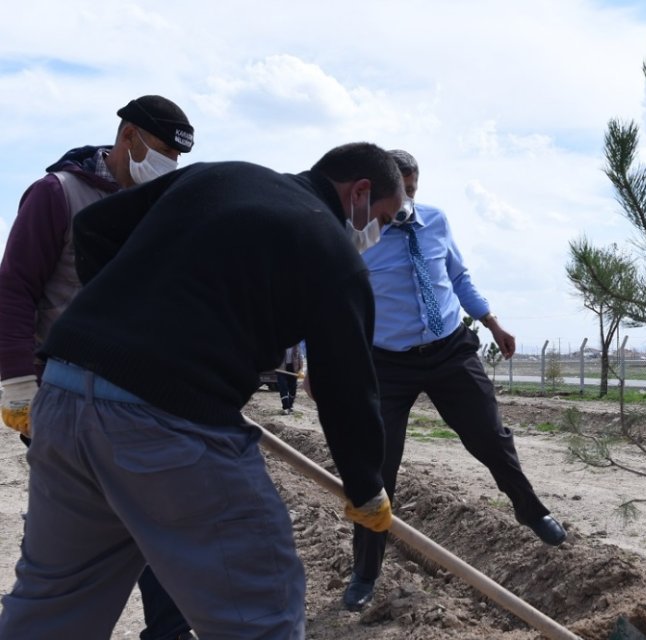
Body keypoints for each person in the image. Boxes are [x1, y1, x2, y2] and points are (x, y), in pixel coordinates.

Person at [0, 142, 406, 638]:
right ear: (360, 192)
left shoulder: (218, 177)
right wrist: (366, 489)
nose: (377, 235)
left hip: (65, 396)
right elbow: (348, 389)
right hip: (164, 426)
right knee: (261, 605)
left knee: (57, 602)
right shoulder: (332, 250)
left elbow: (95, 227)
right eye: (383, 219)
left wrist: (123, 321)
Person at [0, 95, 197, 640]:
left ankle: (170, 631)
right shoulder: (57, 195)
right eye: (160, 153)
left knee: (162, 522)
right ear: (128, 136)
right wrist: (19, 385)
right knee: (74, 531)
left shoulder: (161, 202)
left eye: (176, 161)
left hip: (141, 397)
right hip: (63, 394)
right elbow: (14, 289)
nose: (167, 168)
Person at [340, 148, 565, 612]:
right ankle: (365, 571)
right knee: (376, 470)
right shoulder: (354, 233)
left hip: (449, 349)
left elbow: (457, 275)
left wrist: (491, 321)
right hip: (387, 361)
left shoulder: (436, 221)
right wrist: (313, 358)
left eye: (412, 191)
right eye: (397, 193)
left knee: (490, 436)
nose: (404, 203)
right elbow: (329, 293)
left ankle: (531, 510)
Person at [277, 343, 305, 414]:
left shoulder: (296, 344)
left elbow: (300, 356)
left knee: (293, 388)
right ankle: (285, 407)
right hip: (281, 368)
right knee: (283, 387)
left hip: (293, 368)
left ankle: (290, 405)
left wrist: (301, 369)